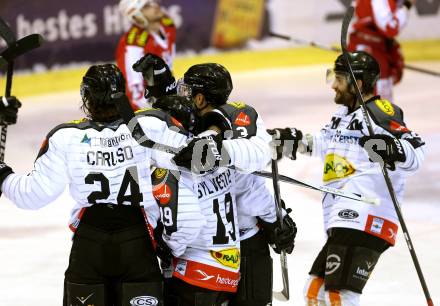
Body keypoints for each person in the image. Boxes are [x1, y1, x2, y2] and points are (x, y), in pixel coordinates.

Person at [0, 64, 205, 306]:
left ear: (86, 96)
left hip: (89, 247)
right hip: (137, 245)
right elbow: (198, 159)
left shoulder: (65, 137)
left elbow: (33, 195)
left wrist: (3, 175)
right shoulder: (151, 126)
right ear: (123, 93)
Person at [133, 54, 295, 305]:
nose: (181, 93)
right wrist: (159, 83)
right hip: (220, 251)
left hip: (236, 247)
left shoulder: (234, 124)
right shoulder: (191, 128)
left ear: (199, 98)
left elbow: (253, 175)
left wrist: (277, 219)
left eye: (186, 90)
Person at [269, 51, 425, 305]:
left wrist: (392, 149)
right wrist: (294, 141)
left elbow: (416, 151)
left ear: (358, 83)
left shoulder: (379, 112)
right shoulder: (342, 116)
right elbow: (325, 143)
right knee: (314, 290)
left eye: (339, 78)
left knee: (337, 294)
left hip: (367, 213)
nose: (333, 84)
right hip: (345, 214)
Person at [348, 0, 416, 102]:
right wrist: (406, 5)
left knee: (376, 106)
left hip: (370, 48)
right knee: (379, 107)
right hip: (372, 53)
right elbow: (390, 27)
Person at [116, 0, 176, 110]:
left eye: (152, 2)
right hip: (146, 109)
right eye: (147, 6)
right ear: (135, 15)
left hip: (165, 95)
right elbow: (135, 95)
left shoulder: (168, 26)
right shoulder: (133, 43)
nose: (155, 6)